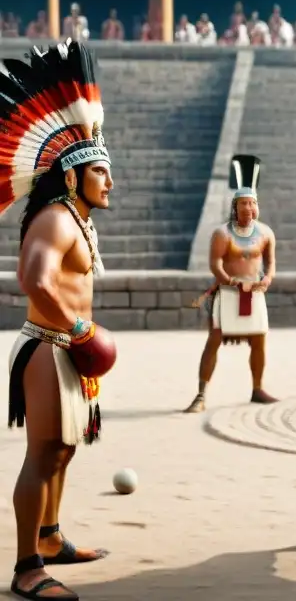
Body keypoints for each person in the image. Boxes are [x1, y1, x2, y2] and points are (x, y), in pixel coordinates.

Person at [2, 39, 114, 600]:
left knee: (65, 448)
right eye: (100, 172)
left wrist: (79, 334)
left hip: (66, 344)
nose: (109, 182)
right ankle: (26, 568)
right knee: (43, 453)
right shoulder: (55, 220)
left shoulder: (77, 218)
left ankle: (49, 537)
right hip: (49, 344)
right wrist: (77, 329)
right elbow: (34, 279)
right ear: (72, 177)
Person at [185, 155, 277, 413]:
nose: (248, 208)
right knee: (214, 340)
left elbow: (270, 263)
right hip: (228, 293)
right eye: (244, 204)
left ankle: (257, 388)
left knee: (259, 341)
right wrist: (229, 281)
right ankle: (201, 394)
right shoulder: (222, 234)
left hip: (255, 293)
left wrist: (267, 279)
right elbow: (215, 264)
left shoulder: (266, 233)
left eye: (252, 203)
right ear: (235, 207)